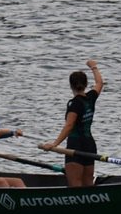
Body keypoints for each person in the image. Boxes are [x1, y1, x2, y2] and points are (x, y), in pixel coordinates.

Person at [40, 59, 105, 187]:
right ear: (86, 84)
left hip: (75, 145)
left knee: (75, 185)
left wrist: (54, 144)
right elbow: (100, 82)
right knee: (88, 184)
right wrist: (94, 67)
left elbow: (69, 126)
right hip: (89, 144)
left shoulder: (74, 104)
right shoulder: (91, 97)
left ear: (71, 85)